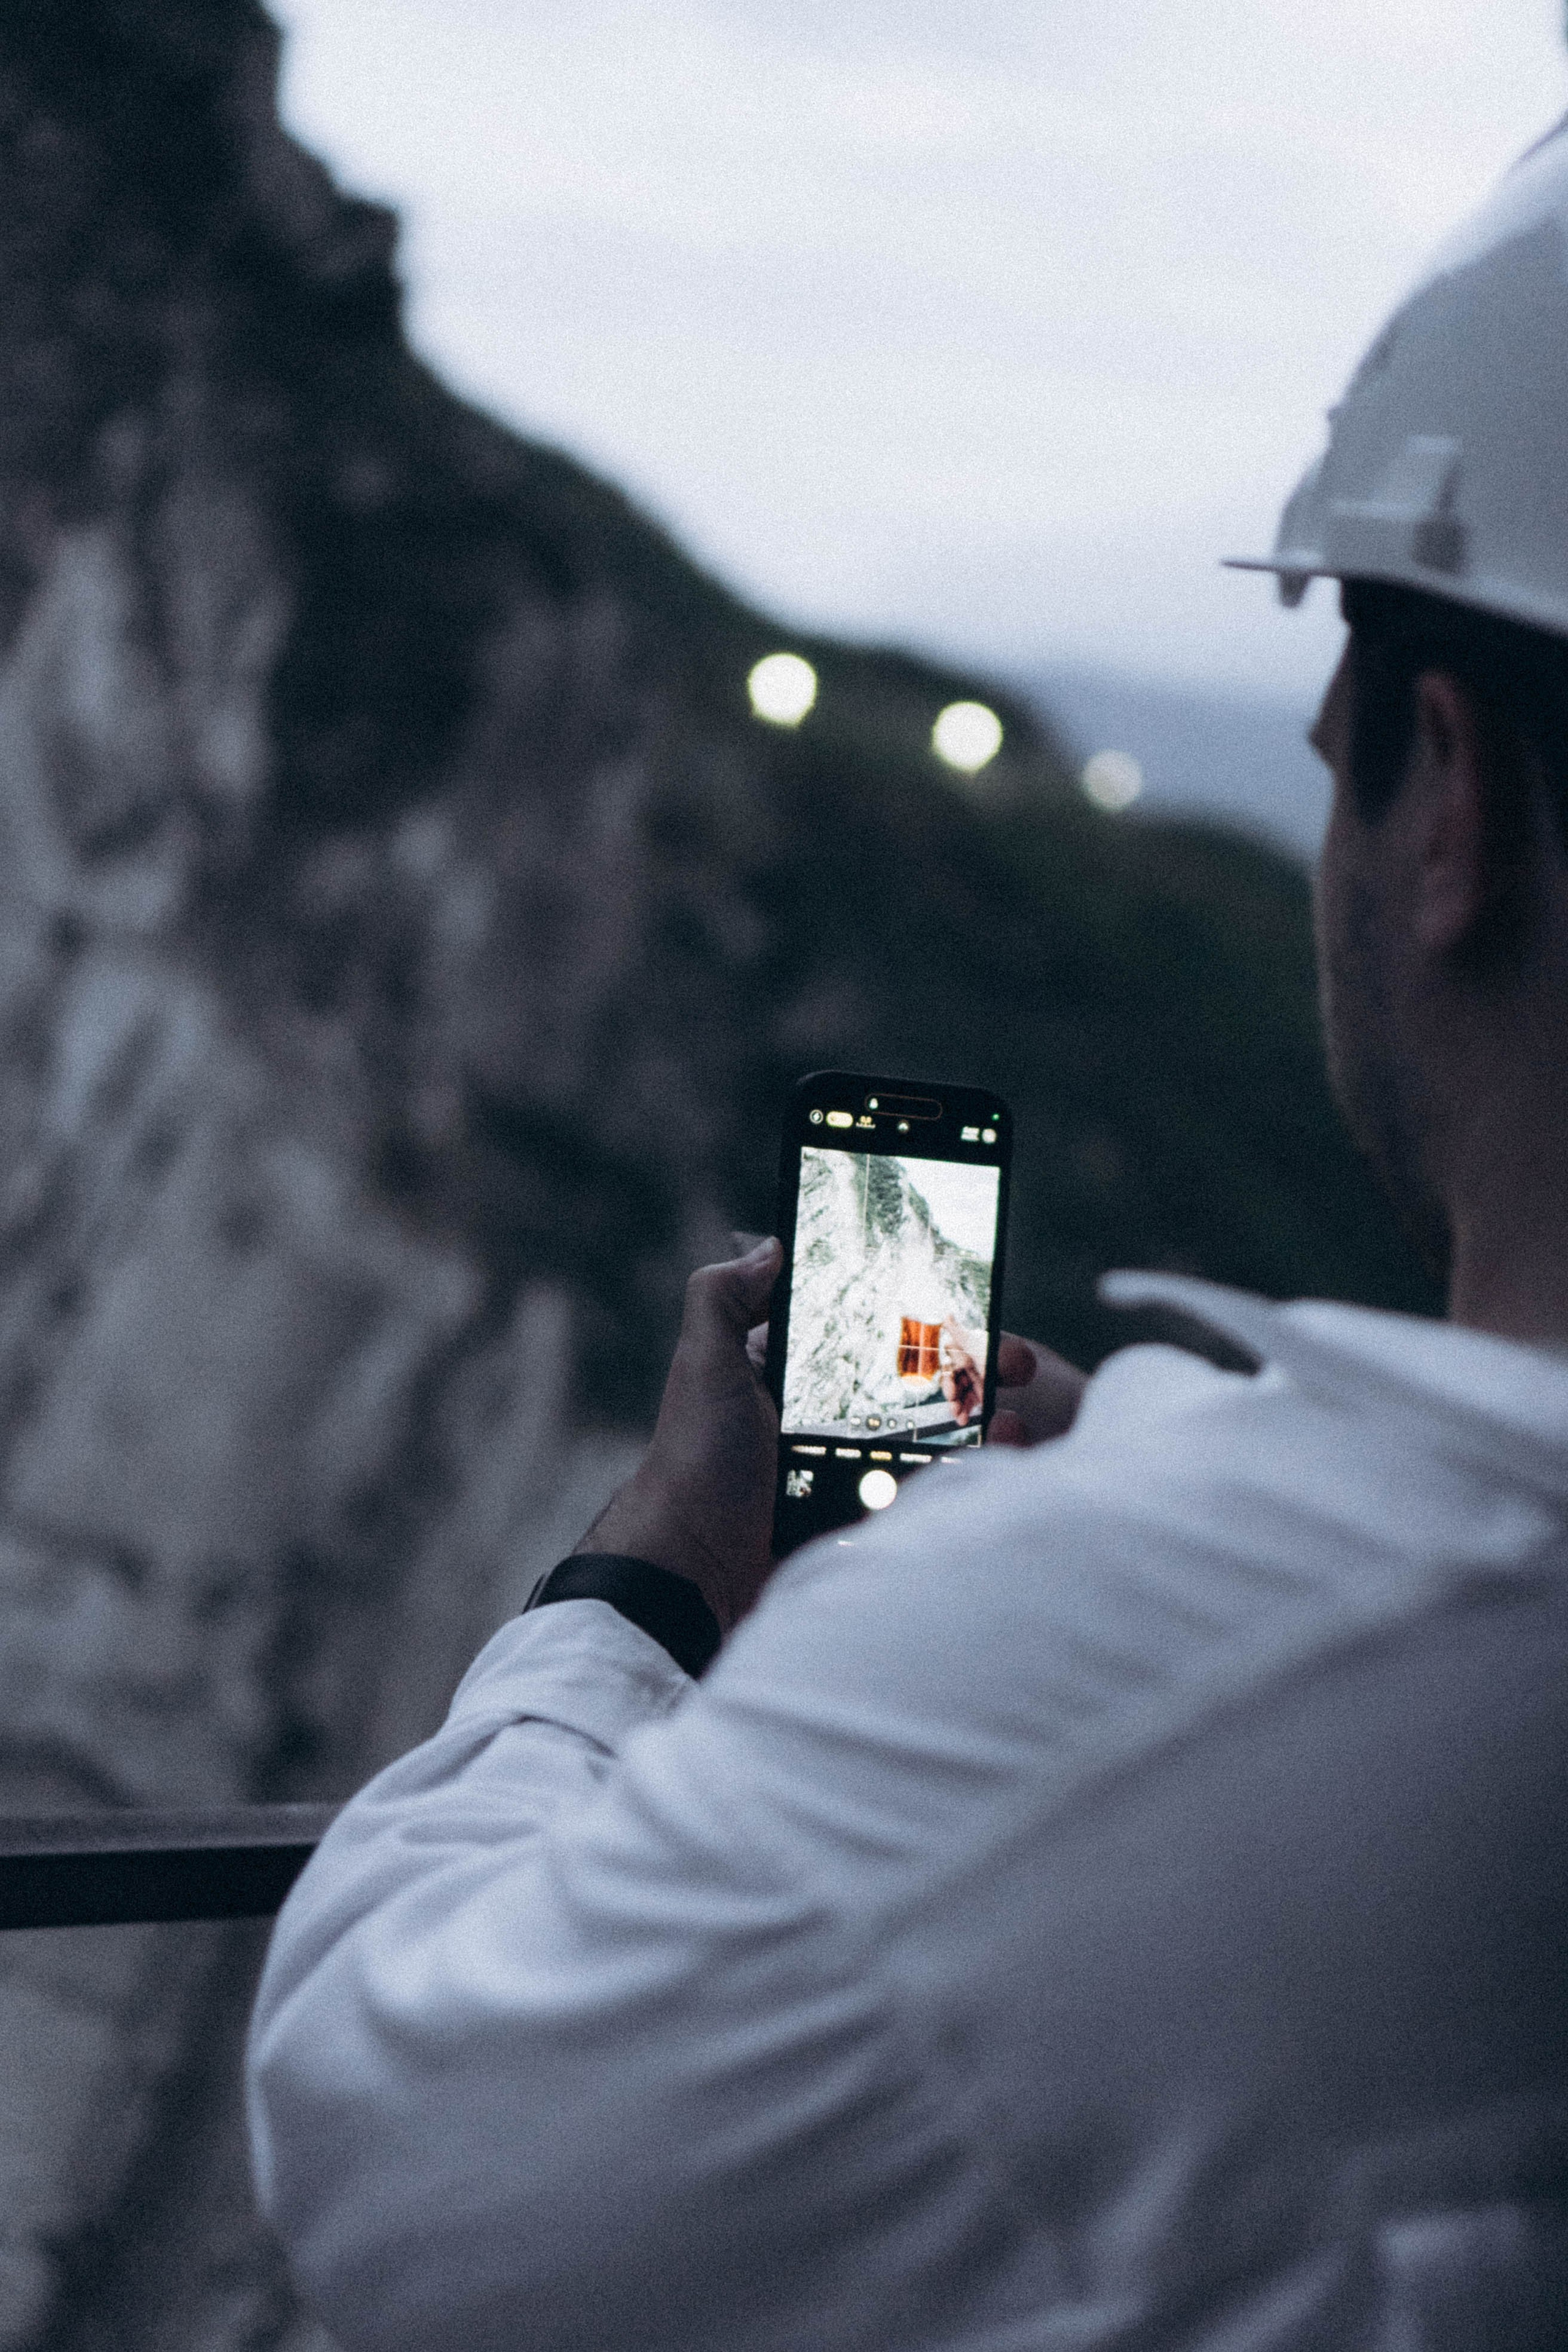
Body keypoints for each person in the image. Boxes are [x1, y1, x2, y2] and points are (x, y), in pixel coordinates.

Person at [246, 123, 1568, 2352]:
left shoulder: (1125, 1675)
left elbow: (388, 2140)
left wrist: (649, 1577)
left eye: (1341, 691)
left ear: (1444, 790)